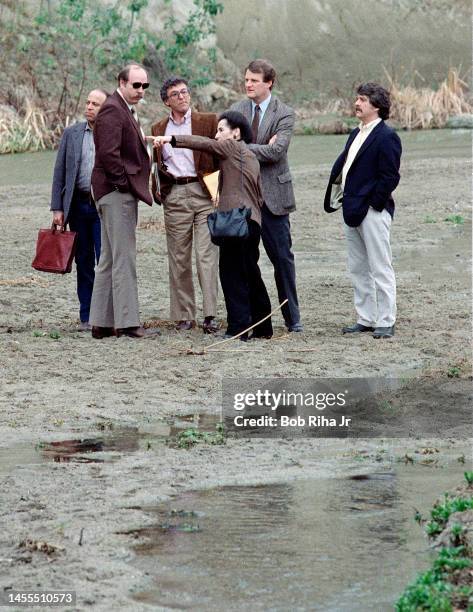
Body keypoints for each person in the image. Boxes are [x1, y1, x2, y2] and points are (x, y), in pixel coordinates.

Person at [153, 111, 273, 341]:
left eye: (221, 130)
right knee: (251, 273)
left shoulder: (231, 147)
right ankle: (263, 327)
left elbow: (204, 143)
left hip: (235, 221)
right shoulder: (249, 155)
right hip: (252, 222)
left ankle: (239, 327)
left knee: (231, 274)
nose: (216, 135)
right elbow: (259, 196)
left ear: (235, 133)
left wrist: (172, 140)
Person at [324, 82, 402, 339]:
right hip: (352, 208)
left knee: (380, 266)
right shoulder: (355, 133)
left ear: (376, 105)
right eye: (356, 98)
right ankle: (366, 318)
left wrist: (374, 205)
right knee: (358, 267)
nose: (356, 103)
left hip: (372, 211)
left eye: (362, 100)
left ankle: (386, 320)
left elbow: (390, 176)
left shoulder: (387, 136)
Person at [231, 59, 302, 333]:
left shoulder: (284, 113)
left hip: (274, 197)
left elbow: (277, 152)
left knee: (282, 259)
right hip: (243, 197)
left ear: (269, 82)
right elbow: (225, 146)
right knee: (245, 260)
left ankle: (292, 318)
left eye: (254, 80)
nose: (248, 84)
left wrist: (242, 147)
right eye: (246, 79)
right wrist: (258, 146)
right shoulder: (236, 110)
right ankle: (251, 315)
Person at [89, 63, 157, 340]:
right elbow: (108, 153)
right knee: (123, 257)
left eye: (145, 86)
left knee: (109, 257)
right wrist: (121, 185)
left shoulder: (122, 109)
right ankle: (128, 322)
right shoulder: (113, 109)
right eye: (136, 85)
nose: (141, 90)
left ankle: (101, 323)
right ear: (122, 82)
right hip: (116, 193)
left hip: (115, 191)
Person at [151, 77, 219, 333]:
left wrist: (218, 190)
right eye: (175, 94)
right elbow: (157, 164)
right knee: (178, 257)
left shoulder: (208, 121)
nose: (182, 96)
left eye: (185, 92)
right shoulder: (159, 127)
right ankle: (184, 315)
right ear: (166, 101)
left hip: (204, 192)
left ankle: (210, 314)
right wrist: (161, 192)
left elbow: (221, 153)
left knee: (206, 255)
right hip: (176, 194)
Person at [50, 88, 108, 331]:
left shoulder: (111, 134)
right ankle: (86, 315)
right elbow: (59, 173)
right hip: (77, 206)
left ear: (106, 108)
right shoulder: (71, 134)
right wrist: (57, 209)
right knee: (83, 261)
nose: (89, 107)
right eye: (88, 102)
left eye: (95, 103)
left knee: (104, 259)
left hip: (103, 207)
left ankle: (105, 315)